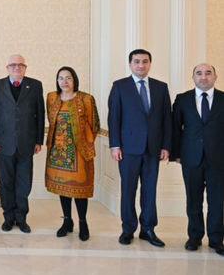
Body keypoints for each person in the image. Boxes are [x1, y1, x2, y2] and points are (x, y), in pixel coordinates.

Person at [108, 49, 171, 247]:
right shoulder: (120, 86)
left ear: (150, 64)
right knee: (128, 190)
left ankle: (148, 229)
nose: (141, 65)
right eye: (136, 61)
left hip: (153, 148)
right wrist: (115, 145)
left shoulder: (161, 87)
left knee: (150, 190)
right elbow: (114, 118)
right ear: (130, 64)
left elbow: (166, 119)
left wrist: (166, 146)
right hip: (128, 149)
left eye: (145, 61)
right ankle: (127, 229)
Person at [171, 63, 224, 256]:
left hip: (218, 158)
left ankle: (216, 240)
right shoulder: (182, 99)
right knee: (193, 199)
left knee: (216, 201)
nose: (203, 77)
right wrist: (176, 154)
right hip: (191, 157)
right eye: (199, 73)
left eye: (208, 73)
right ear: (193, 77)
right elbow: (175, 128)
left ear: (215, 77)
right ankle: (194, 237)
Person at [0, 54, 44, 233]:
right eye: (13, 65)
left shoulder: (35, 85)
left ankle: (21, 218)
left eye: (20, 65)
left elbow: (40, 113)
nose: (17, 68)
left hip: (27, 143)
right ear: (7, 68)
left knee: (24, 183)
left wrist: (39, 140)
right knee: (6, 182)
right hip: (4, 143)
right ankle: (8, 217)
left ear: (25, 67)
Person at [44, 66, 99, 241]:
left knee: (79, 189)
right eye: (60, 78)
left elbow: (95, 125)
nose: (64, 82)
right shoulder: (51, 98)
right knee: (63, 186)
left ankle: (83, 222)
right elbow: (51, 121)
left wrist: (85, 142)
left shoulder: (86, 99)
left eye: (68, 78)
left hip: (80, 152)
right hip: (58, 152)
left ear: (74, 79)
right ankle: (67, 221)